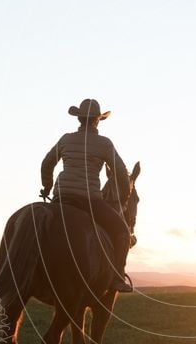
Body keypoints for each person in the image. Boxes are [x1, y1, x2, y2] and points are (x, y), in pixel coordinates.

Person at [40, 98, 134, 293]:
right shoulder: (104, 144)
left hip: (61, 197)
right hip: (89, 200)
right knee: (123, 232)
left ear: (80, 119)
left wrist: (47, 187)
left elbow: (47, 163)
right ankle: (117, 276)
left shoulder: (66, 139)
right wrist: (124, 197)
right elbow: (121, 172)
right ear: (97, 120)